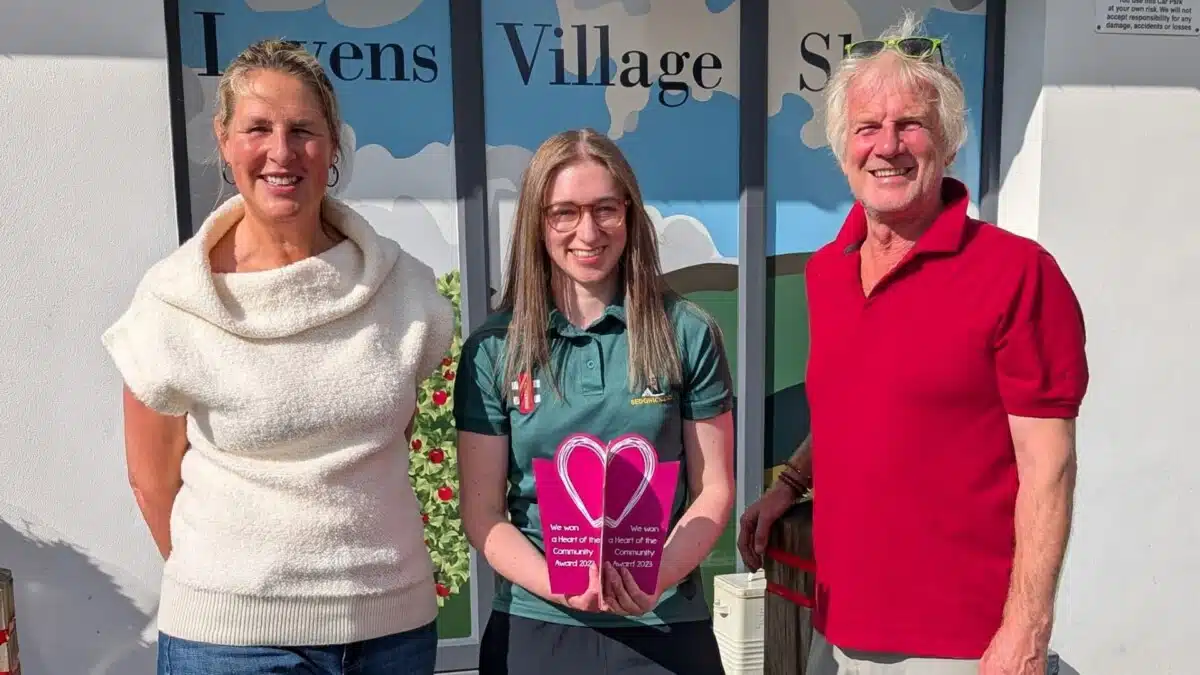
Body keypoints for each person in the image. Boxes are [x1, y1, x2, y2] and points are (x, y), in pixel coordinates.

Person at [737, 13, 1089, 675]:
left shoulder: (1017, 273)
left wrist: (1025, 629)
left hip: (962, 645)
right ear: (845, 149)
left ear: (948, 141)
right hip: (837, 629)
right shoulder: (827, 272)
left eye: (911, 125)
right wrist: (790, 482)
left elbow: (1049, 466)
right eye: (868, 127)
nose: (887, 146)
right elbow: (859, 403)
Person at [101, 39, 454, 675]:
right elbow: (151, 480)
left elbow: (385, 438)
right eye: (258, 128)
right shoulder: (173, 302)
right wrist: (229, 589)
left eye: (302, 131)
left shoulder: (403, 288)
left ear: (334, 145)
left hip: (393, 631)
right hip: (233, 642)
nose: (281, 153)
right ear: (225, 140)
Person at [453, 129, 735, 675]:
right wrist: (558, 586)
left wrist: (660, 574)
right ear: (539, 223)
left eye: (605, 208)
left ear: (629, 215)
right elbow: (483, 513)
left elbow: (714, 489)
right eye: (565, 212)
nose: (588, 232)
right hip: (537, 629)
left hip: (666, 625)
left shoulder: (688, 332)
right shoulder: (494, 349)